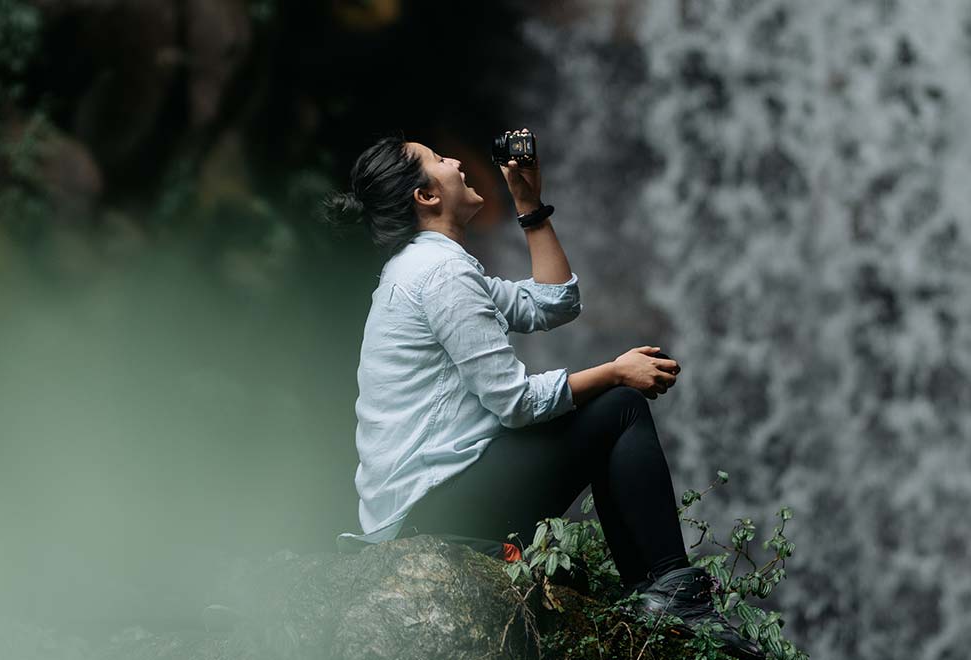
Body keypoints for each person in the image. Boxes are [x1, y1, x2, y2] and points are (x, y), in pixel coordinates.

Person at [319, 129, 763, 659]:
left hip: (431, 503)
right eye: (438, 159)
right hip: (434, 510)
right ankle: (671, 593)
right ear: (426, 196)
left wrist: (528, 205)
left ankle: (661, 592)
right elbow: (516, 404)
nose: (456, 160)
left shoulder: (431, 267)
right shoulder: (438, 273)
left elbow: (553, 303)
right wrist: (617, 372)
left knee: (613, 405)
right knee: (619, 408)